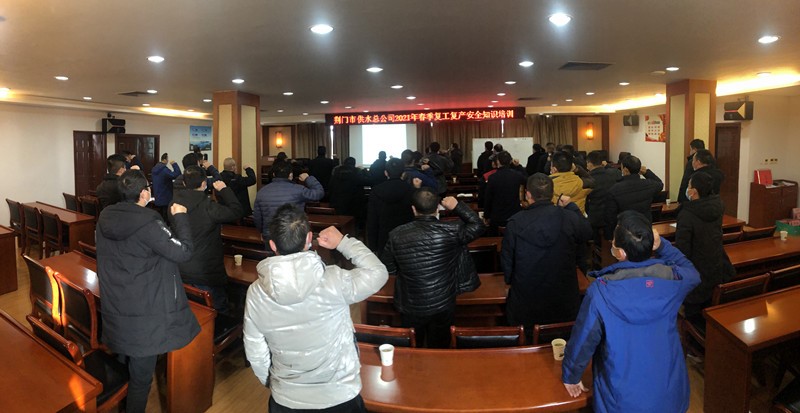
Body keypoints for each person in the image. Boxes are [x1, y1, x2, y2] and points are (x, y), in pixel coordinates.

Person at [243, 205, 388, 412]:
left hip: (286, 398)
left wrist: (275, 383)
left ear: (273, 244)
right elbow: (378, 273)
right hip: (339, 394)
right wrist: (343, 242)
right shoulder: (335, 280)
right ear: (309, 239)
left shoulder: (256, 292)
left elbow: (255, 348)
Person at [562, 211, 700, 413]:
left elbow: (584, 339)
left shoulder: (601, 291)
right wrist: (663, 246)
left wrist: (571, 375)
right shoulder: (672, 279)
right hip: (669, 393)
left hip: (622, 400)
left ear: (621, 253)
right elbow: (693, 274)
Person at [95, 170, 198, 413]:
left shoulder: (105, 217)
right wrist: (180, 218)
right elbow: (183, 252)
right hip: (144, 317)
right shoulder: (148, 222)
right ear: (144, 193)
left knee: (127, 360)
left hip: (117, 306)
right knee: (141, 380)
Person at [382, 189, 484, 348]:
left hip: (411, 301)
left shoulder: (396, 235)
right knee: (440, 346)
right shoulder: (451, 231)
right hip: (443, 301)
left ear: (413, 209)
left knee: (413, 346)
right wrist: (457, 206)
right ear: (437, 209)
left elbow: (389, 268)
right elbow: (478, 225)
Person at [502, 173, 592, 333]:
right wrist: (571, 206)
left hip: (527, 300)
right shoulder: (569, 218)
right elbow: (587, 232)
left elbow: (507, 262)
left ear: (528, 195)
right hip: (564, 298)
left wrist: (511, 282)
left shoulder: (515, 222)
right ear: (552, 194)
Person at [171, 166, 243, 314]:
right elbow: (237, 211)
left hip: (181, 268)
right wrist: (224, 190)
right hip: (206, 272)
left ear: (184, 183)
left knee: (192, 311)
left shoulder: (174, 204)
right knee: (217, 312)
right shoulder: (209, 207)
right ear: (204, 184)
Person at [675, 172, 735, 320]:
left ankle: (693, 328)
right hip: (715, 265)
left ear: (694, 191)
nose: (687, 188)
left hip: (696, 274)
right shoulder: (717, 206)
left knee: (693, 312)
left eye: (689, 186)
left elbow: (683, 250)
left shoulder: (686, 214)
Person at [253, 161, 324, 243]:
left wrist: (262, 231)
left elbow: (257, 217)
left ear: (273, 174)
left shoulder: (261, 192)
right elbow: (319, 193)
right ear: (290, 175)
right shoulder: (299, 189)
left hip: (270, 236)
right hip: (294, 235)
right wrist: (308, 179)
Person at [604, 155, 663, 239]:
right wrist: (646, 172)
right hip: (645, 229)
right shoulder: (649, 184)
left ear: (625, 170)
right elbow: (660, 184)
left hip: (626, 232)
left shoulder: (614, 190)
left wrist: (610, 236)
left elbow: (610, 217)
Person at [367, 158, 416, 256]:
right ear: (403, 174)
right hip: (407, 239)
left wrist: (373, 246)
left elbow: (372, 220)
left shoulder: (376, 191)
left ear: (386, 173)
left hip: (383, 238)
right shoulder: (411, 190)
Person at [484, 151, 526, 235]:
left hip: (497, 216)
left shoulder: (492, 178)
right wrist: (518, 166)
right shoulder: (517, 175)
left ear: (498, 161)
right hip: (514, 215)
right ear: (510, 161)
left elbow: (488, 198)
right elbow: (528, 180)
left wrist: (486, 216)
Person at [584, 150, 622, 243]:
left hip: (595, 218)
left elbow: (586, 203)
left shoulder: (587, 179)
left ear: (589, 163)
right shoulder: (614, 174)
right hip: (613, 217)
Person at [329, 157, 370, 224]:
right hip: (354, 206)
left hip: (338, 204)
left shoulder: (336, 171)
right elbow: (368, 181)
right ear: (354, 164)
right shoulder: (357, 171)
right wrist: (365, 172)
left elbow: (330, 186)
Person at [151, 152, 182, 221]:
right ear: (165, 160)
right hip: (165, 196)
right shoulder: (164, 169)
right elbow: (177, 175)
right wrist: (174, 164)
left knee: (160, 216)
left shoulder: (154, 169)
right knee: (166, 217)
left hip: (157, 196)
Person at [677, 139, 706, 203]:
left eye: (690, 149)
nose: (690, 152)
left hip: (691, 197)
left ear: (694, 149)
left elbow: (685, 181)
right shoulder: (708, 162)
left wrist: (680, 200)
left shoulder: (692, 162)